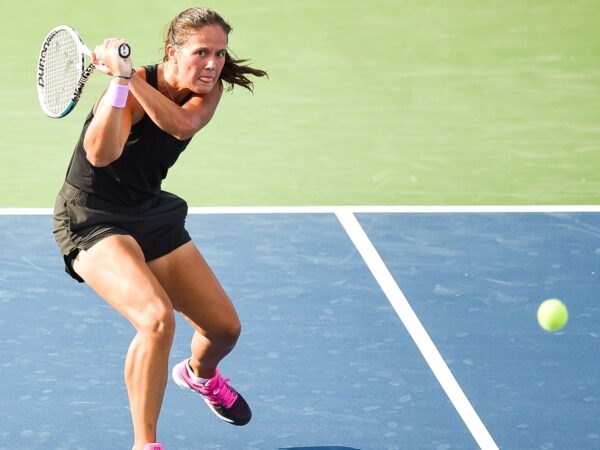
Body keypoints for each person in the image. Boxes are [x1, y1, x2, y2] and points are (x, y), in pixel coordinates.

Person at [52, 7, 267, 450]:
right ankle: (145, 444)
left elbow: (182, 124)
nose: (213, 64)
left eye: (221, 53)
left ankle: (198, 376)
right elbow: (101, 156)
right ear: (172, 51)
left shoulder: (204, 91)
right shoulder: (124, 93)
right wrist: (121, 84)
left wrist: (132, 79)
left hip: (148, 211)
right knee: (155, 320)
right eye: (201, 52)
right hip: (93, 215)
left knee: (224, 329)